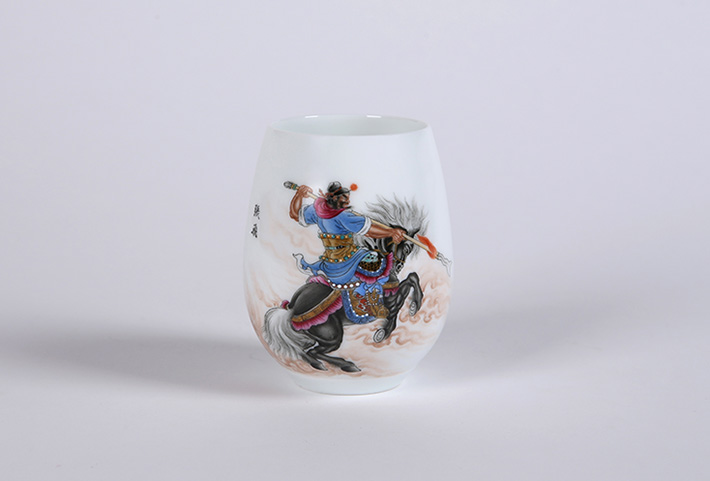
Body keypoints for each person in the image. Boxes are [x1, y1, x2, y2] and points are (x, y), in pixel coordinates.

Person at [289, 182, 405, 287]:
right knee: (377, 262)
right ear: (335, 198)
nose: (348, 201)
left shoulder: (317, 211)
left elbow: (295, 214)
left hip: (330, 260)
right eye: (345, 198)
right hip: (348, 259)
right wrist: (391, 232)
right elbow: (369, 231)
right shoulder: (343, 216)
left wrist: (299, 195)